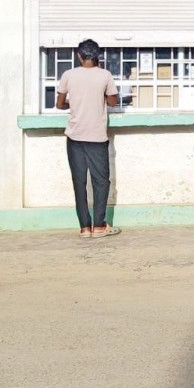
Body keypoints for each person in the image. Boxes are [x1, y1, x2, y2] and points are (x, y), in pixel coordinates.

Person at [56, 38, 121, 238]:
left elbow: (59, 104)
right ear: (97, 56)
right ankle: (100, 225)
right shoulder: (105, 75)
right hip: (97, 137)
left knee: (79, 182)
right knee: (101, 181)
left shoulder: (68, 75)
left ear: (79, 55)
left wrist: (72, 105)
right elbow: (113, 100)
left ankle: (85, 227)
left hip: (75, 137)